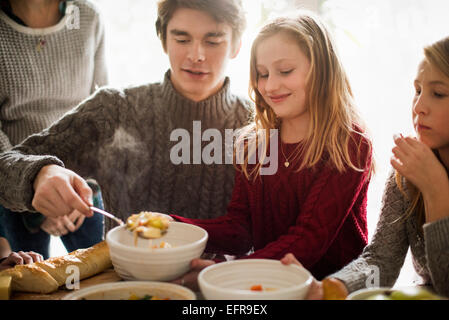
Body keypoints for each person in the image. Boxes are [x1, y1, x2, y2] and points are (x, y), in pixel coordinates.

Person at [0, 0, 252, 234]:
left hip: (226, 281)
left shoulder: (259, 124)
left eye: (213, 41)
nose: (196, 55)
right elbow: (6, 165)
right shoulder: (114, 110)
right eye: (182, 39)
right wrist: (38, 174)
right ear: (164, 41)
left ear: (236, 46)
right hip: (126, 281)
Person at [171, 12, 374, 290]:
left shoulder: (349, 143)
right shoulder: (253, 144)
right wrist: (175, 226)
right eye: (262, 74)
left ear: (322, 70)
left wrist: (225, 271)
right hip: (271, 287)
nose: (270, 86)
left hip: (334, 292)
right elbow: (240, 229)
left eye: (285, 71)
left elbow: (307, 240)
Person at [281, 36, 449, 299]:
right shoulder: (410, 169)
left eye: (438, 93)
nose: (418, 107)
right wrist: (333, 287)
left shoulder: (425, 173)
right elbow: (381, 260)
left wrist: (437, 189)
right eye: (417, 90)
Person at [0, 0, 108, 258]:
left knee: (105, 272)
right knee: (28, 283)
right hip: (14, 186)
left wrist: (84, 184)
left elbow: (102, 105)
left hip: (82, 184)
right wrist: (32, 192)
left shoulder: (88, 16)